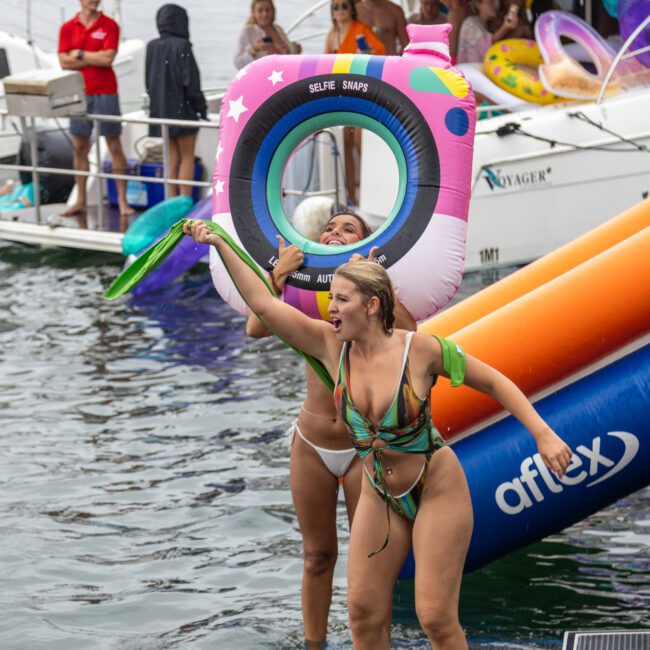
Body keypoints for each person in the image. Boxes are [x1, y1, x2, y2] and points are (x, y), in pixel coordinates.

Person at [184, 219, 573, 648]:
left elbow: (494, 383)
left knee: (435, 618)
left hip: (435, 488)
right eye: (332, 299)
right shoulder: (331, 347)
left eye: (341, 300)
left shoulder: (420, 350)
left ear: (371, 306)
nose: (331, 309)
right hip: (379, 494)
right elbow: (261, 302)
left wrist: (544, 435)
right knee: (363, 616)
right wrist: (220, 243)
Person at [246, 211, 415, 649]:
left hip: (364, 448)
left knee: (371, 561)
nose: (333, 233)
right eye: (328, 227)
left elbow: (411, 337)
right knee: (318, 556)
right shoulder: (313, 304)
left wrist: (377, 280)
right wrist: (278, 275)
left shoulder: (372, 305)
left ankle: (379, 643)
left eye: (346, 229)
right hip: (312, 443)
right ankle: (314, 645)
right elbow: (256, 327)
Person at [58, 0, 134, 230]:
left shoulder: (110, 25)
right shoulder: (68, 27)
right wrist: (93, 56)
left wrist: (79, 54)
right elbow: (63, 62)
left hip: (106, 92)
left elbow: (107, 58)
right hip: (79, 93)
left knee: (114, 144)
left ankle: (122, 199)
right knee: (79, 146)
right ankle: (80, 199)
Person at [325, 1, 385, 207]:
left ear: (351, 9)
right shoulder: (332, 35)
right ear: (332, 12)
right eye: (336, 7)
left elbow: (380, 53)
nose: (340, 10)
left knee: (361, 143)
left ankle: (373, 194)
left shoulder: (361, 30)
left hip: (360, 90)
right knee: (345, 143)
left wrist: (366, 52)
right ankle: (352, 196)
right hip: (341, 94)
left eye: (344, 6)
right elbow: (326, 65)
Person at [145, 4, 207, 199]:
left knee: (171, 157)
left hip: (161, 110)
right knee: (187, 156)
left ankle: (171, 201)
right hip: (183, 110)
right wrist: (201, 109)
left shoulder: (152, 46)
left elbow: (148, 81)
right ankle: (185, 201)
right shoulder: (182, 46)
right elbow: (192, 83)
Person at [234, 0, 301, 71]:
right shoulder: (248, 31)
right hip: (262, 77)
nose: (265, 14)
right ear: (253, 13)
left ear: (273, 11)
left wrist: (294, 49)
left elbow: (286, 57)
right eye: (260, 11)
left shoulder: (278, 29)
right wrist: (254, 49)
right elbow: (237, 63)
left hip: (283, 74)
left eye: (268, 10)